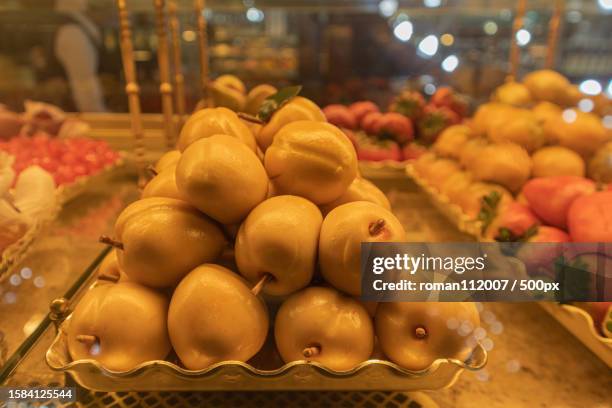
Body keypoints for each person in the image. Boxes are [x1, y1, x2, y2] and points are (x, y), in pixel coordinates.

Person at [53, 0, 106, 112]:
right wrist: (104, 119)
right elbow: (83, 87)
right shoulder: (73, 34)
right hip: (79, 120)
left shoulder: (79, 30)